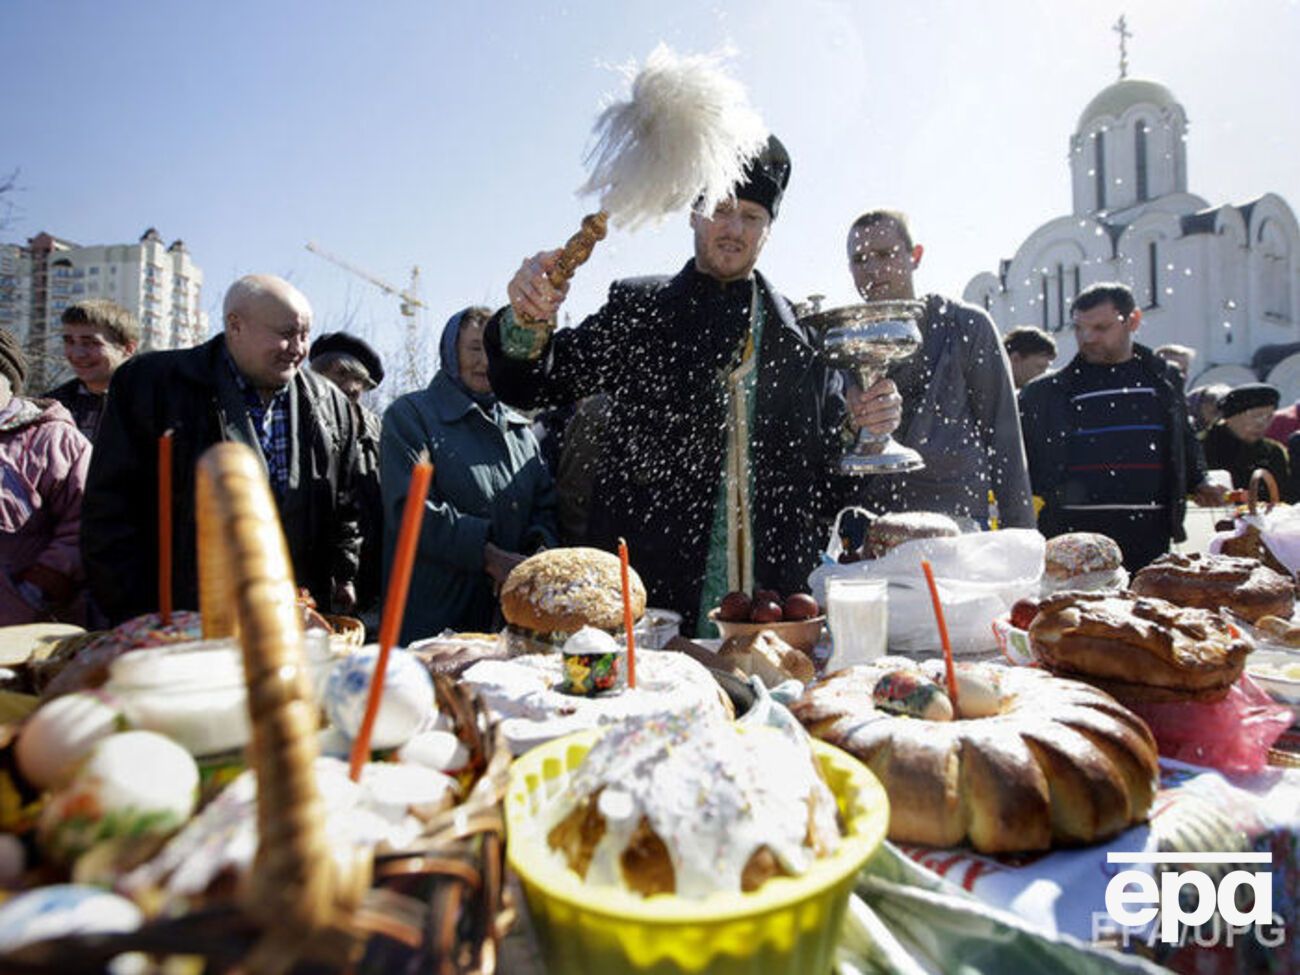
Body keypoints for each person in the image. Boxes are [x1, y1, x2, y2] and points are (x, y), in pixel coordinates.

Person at [488, 135, 902, 634]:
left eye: (751, 217)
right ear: (693, 213)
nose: (733, 229)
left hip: (773, 617)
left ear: (769, 229)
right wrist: (526, 320)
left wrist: (866, 429)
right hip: (656, 611)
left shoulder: (802, 340)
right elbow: (537, 383)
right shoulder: (641, 310)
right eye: (721, 209)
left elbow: (826, 487)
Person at [83, 275, 363, 624]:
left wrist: (342, 575)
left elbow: (345, 510)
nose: (298, 348)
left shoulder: (331, 404)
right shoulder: (152, 384)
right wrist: (135, 612)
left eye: (305, 335)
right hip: (181, 618)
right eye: (286, 333)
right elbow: (109, 510)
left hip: (293, 617)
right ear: (235, 325)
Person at [846, 210, 1034, 529]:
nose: (873, 270)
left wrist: (1024, 538)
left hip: (955, 524)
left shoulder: (965, 325)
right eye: (860, 259)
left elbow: (1004, 438)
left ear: (915, 256)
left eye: (884, 254)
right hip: (872, 527)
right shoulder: (850, 340)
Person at [381, 307, 557, 642]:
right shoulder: (411, 417)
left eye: (495, 351)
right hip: (435, 618)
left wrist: (535, 559)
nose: (486, 362)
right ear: (450, 352)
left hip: (507, 624)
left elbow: (544, 505)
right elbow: (411, 511)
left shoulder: (520, 430)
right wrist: (490, 557)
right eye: (476, 349)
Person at [1019, 282, 1223, 572]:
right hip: (1074, 537)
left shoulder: (1161, 379)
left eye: (1101, 328)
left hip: (1149, 534)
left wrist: (1200, 479)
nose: (1088, 338)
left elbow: (1182, 437)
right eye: (1079, 328)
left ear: (1133, 320)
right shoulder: (1048, 392)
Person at [0, 329, 91, 625]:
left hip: (28, 631)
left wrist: (35, 592)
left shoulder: (54, 440)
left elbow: (85, 523)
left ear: (9, 381)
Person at [309, 332, 385, 618]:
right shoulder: (299, 425)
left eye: (357, 386)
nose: (350, 389)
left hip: (372, 578)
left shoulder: (379, 430)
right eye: (339, 376)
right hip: (316, 579)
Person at [42, 299, 139, 443]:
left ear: (127, 348)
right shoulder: (51, 407)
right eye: (69, 342)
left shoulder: (154, 403)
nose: (77, 354)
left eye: (90, 343)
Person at [1202, 383, 1289, 496]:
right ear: (1231, 417)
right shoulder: (1203, 446)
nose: (1262, 424)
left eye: (1269, 417)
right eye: (1255, 416)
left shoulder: (1274, 452)